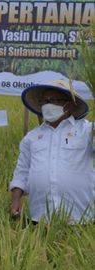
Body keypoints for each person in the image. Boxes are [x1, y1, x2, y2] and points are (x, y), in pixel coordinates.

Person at [10, 80, 94, 224]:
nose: (48, 105)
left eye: (53, 100)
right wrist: (16, 199)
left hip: (80, 218)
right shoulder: (32, 137)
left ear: (69, 104)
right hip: (39, 218)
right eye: (45, 101)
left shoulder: (87, 131)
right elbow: (22, 171)